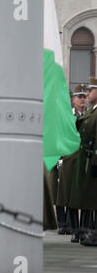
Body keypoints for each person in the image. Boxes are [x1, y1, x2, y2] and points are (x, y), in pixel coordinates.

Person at [56, 84, 87, 239]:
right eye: (79, 97)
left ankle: (82, 227)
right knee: (69, 193)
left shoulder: (89, 114)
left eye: (84, 97)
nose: (82, 100)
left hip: (83, 158)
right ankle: (71, 226)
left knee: (81, 194)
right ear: (73, 100)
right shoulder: (67, 116)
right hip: (69, 158)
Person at [69, 77, 97, 246]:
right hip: (85, 158)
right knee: (87, 198)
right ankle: (87, 232)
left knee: (93, 198)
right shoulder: (91, 111)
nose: (87, 95)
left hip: (92, 159)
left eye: (90, 91)